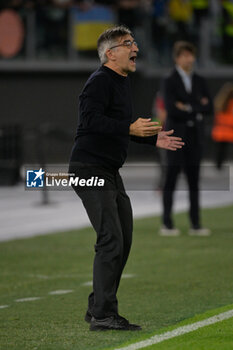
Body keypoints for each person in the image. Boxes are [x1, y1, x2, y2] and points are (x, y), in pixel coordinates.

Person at [69, 25, 184, 331]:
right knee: (111, 239)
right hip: (88, 170)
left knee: (124, 239)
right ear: (110, 53)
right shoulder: (99, 81)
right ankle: (104, 314)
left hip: (108, 171)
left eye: (134, 42)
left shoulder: (120, 83)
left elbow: (120, 125)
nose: (135, 48)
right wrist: (131, 129)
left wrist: (150, 139)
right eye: (127, 43)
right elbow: (90, 121)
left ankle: (98, 308)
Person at [160, 41, 213, 236]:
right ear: (176, 58)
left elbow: (210, 107)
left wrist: (187, 107)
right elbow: (171, 108)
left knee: (194, 181)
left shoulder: (200, 79)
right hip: (175, 137)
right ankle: (167, 223)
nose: (188, 59)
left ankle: (195, 224)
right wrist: (197, 107)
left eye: (190, 55)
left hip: (195, 136)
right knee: (171, 180)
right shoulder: (169, 79)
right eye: (184, 55)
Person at [212, 83, 233, 169]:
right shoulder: (229, 103)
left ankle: (218, 167)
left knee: (220, 151)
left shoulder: (220, 102)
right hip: (228, 131)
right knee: (222, 151)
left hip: (219, 132)